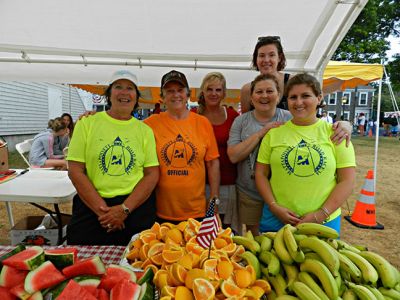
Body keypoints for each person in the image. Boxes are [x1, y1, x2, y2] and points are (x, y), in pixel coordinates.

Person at [66, 70, 159, 245]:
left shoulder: (145, 130)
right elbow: (75, 170)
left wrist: (124, 210)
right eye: (118, 87)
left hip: (134, 207)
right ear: (109, 94)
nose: (124, 92)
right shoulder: (86, 123)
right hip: (93, 206)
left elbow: (152, 174)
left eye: (130, 88)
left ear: (136, 96)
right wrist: (104, 212)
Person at [255, 73, 356, 235]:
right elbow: (260, 173)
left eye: (306, 96)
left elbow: (347, 180)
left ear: (319, 98)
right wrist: (274, 206)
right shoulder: (273, 134)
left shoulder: (337, 134)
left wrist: (321, 214)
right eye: (293, 97)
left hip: (324, 221)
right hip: (277, 219)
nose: (299, 102)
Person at [144, 70, 220, 223]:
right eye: (170, 91)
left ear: (188, 95)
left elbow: (212, 162)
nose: (175, 95)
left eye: (180, 90)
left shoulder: (202, 123)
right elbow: (126, 128)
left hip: (196, 210)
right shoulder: (150, 124)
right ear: (162, 97)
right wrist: (95, 117)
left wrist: (214, 195)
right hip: (160, 211)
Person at [228, 74, 292, 235]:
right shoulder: (241, 121)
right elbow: (233, 156)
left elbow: (317, 127)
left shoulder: (290, 118)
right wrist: (260, 133)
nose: (264, 96)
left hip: (283, 194)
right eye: (259, 92)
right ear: (251, 98)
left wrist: (344, 125)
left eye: (270, 91)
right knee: (255, 238)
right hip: (249, 193)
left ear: (278, 96)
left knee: (284, 237)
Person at [195, 72, 240, 232]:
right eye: (209, 89)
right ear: (203, 92)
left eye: (218, 90)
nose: (214, 93)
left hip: (228, 182)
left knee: (225, 229)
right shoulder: (194, 116)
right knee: (201, 228)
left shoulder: (233, 115)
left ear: (224, 93)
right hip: (199, 184)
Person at [240, 36, 292, 113]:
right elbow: (246, 122)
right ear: (256, 59)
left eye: (271, 55)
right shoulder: (247, 90)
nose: (266, 60)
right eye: (261, 55)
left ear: (279, 58)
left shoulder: (293, 83)